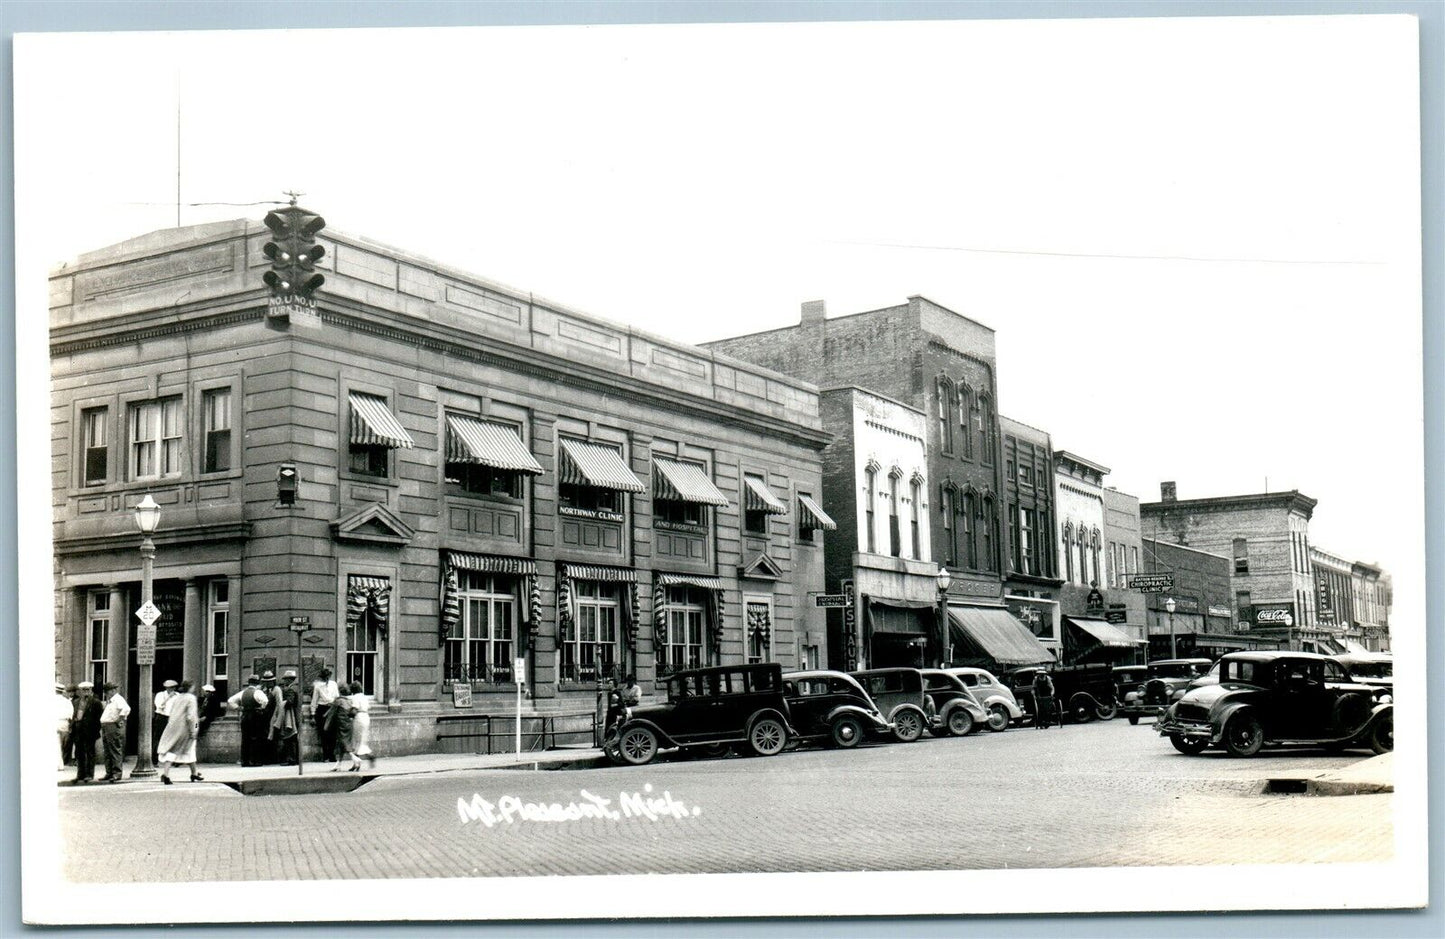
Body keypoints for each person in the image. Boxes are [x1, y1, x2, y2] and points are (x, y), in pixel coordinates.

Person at [156, 679, 202, 784]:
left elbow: (171, 712)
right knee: (178, 750)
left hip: (173, 726)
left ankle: (194, 773)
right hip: (185, 728)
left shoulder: (178, 697)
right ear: (191, 688)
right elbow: (192, 717)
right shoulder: (191, 698)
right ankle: (166, 774)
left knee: (185, 751)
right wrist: (194, 729)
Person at [227, 675, 270, 766]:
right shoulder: (258, 692)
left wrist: (238, 708)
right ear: (257, 683)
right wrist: (261, 708)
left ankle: (245, 761)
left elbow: (230, 700)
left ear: (249, 683)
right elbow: (265, 701)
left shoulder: (243, 692)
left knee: (245, 739)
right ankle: (255, 761)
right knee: (256, 738)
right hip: (255, 716)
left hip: (245, 716)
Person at [98, 681, 130, 783]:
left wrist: (119, 720)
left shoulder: (118, 699)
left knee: (114, 749)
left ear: (112, 691)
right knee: (107, 751)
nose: (106, 693)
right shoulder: (111, 701)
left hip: (112, 726)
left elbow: (126, 709)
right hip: (106, 725)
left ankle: (116, 773)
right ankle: (109, 772)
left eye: (108, 691)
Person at [72, 681, 102, 784]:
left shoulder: (96, 702)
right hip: (78, 729)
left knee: (90, 753)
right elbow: (74, 714)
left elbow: (99, 718)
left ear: (91, 690)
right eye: (84, 690)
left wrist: (96, 730)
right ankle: (80, 774)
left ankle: (89, 774)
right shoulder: (76, 702)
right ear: (81, 691)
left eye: (88, 690)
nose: (86, 692)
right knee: (79, 753)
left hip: (90, 731)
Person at [270, 671, 301, 766]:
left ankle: (291, 759)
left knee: (290, 738)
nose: (284, 681)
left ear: (289, 679)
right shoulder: (296, 688)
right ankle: (295, 759)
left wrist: (283, 703)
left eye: (285, 679)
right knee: (294, 738)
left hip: (290, 716)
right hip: (296, 714)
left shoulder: (290, 689)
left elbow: (290, 702)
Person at [310, 667, 340, 762]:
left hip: (332, 708)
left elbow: (337, 697)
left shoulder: (334, 684)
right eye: (324, 677)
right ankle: (326, 755)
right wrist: (313, 714)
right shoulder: (318, 686)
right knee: (324, 733)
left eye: (327, 677)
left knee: (333, 733)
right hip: (322, 709)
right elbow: (314, 700)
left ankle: (332, 755)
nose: (326, 679)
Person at [326, 684, 355, 772]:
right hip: (348, 724)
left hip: (340, 725)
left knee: (343, 742)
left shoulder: (338, 700)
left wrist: (327, 725)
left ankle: (355, 759)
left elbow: (332, 713)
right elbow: (352, 713)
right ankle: (338, 764)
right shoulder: (349, 701)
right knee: (341, 745)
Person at [346, 681, 374, 771]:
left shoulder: (355, 697)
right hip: (366, 717)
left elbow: (355, 709)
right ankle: (357, 763)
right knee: (362, 740)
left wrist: (348, 714)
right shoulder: (364, 696)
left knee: (356, 740)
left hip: (359, 717)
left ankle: (365, 758)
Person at [152, 679, 178, 760]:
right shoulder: (160, 695)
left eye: (173, 687)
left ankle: (173, 759)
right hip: (161, 717)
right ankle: (154, 758)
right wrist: (169, 698)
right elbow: (159, 706)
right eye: (169, 688)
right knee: (158, 738)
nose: (171, 689)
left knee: (173, 738)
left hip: (173, 718)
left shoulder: (178, 695)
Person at [259, 670, 278, 764]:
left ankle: (272, 758)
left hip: (272, 715)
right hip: (264, 717)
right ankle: (265, 758)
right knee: (264, 737)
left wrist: (276, 717)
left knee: (272, 737)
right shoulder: (263, 690)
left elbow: (279, 704)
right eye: (265, 681)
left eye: (269, 681)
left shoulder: (276, 690)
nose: (267, 683)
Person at [56, 682, 74, 768]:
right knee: (63, 745)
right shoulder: (67, 702)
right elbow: (71, 715)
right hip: (64, 723)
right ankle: (61, 764)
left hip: (54, 721)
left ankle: (58, 764)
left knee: (55, 744)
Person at [62, 683, 79, 766]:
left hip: (75, 724)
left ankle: (76, 760)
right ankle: (66, 760)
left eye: (72, 692)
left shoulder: (77, 700)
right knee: (67, 743)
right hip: (68, 724)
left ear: (75, 692)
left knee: (77, 743)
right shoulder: (66, 700)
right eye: (69, 692)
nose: (70, 693)